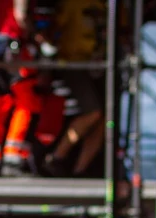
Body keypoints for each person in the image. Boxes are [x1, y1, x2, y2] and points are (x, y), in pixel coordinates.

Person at [40, 0, 106, 178]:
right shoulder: (73, 3)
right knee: (94, 112)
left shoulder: (110, 6)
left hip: (101, 66)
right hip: (73, 63)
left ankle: (80, 169)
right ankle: (56, 157)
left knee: (105, 120)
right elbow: (53, 30)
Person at [0, 0, 42, 177]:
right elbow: (20, 15)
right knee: (25, 101)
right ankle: (13, 157)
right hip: (12, 45)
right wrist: (36, 37)